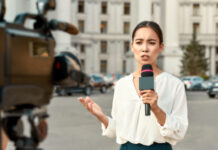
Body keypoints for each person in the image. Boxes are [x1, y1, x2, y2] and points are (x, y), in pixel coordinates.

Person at [77, 21, 188, 150]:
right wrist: (101, 117)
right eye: (139, 42)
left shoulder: (174, 85)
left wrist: (156, 109)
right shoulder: (122, 85)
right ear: (132, 46)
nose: (144, 48)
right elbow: (118, 130)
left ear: (161, 47)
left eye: (151, 43)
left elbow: (179, 131)